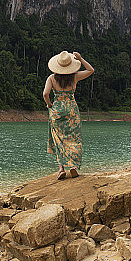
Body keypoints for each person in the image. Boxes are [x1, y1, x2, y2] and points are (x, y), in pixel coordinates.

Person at [43, 51, 95, 180]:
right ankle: (72, 167)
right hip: (71, 110)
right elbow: (91, 70)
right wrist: (81, 58)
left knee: (59, 139)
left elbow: (45, 94)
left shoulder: (51, 78)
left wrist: (49, 105)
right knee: (73, 138)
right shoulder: (74, 77)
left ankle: (61, 169)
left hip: (57, 110)